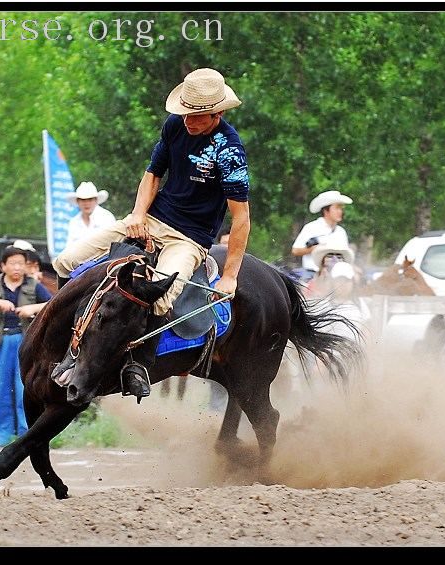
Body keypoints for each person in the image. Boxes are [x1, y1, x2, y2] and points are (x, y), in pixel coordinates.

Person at [53, 67, 250, 401]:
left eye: (196, 116)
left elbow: (241, 216)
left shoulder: (229, 150)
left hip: (188, 240)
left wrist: (230, 275)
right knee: (65, 261)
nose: (187, 120)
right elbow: (153, 175)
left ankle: (138, 365)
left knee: (160, 295)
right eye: (184, 112)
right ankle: (68, 347)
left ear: (216, 114)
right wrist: (138, 215)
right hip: (152, 220)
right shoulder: (174, 125)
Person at [0, 246, 53, 446]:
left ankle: (27, 432)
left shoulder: (33, 285)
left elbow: (52, 303)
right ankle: (1, 434)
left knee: (25, 388)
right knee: (1, 389)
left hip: (26, 344)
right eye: (12, 263)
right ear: (3, 266)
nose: (17, 267)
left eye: (21, 264)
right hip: (0, 342)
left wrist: (32, 308)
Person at [291, 190, 353, 282]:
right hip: (311, 273)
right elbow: (295, 250)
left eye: (341, 209)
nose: (340, 211)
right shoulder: (311, 227)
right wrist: (313, 249)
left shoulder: (341, 232)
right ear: (326, 211)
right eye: (337, 208)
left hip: (337, 275)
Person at [64, 181, 117, 249]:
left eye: (90, 199)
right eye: (83, 200)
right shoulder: (74, 222)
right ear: (77, 201)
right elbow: (69, 247)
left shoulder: (106, 217)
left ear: (96, 200)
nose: (86, 203)